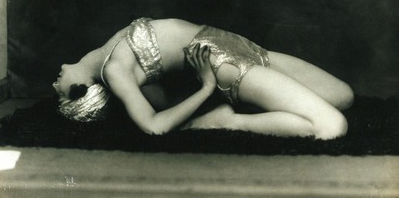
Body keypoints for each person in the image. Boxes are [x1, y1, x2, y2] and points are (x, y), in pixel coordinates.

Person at [53, 17, 354, 140]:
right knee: (332, 125)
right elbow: (154, 126)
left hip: (238, 45)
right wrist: (207, 86)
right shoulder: (113, 71)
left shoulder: (109, 52)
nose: (55, 84)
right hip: (226, 65)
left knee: (343, 95)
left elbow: (158, 97)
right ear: (82, 91)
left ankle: (265, 104)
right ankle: (230, 121)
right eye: (61, 93)